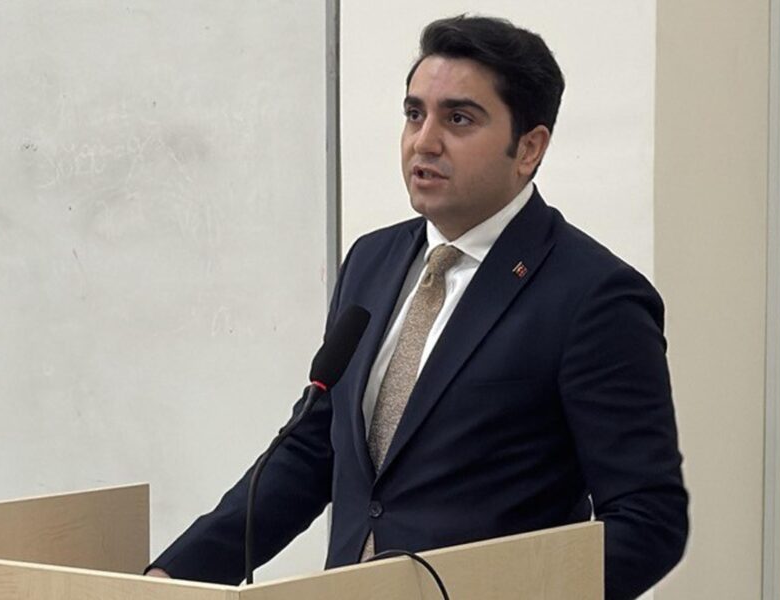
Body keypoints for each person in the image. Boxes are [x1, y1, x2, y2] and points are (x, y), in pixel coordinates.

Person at [147, 15, 688, 599]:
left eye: (458, 119)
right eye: (414, 114)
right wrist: (174, 577)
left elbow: (648, 520)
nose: (423, 142)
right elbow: (311, 451)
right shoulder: (371, 261)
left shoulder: (593, 296)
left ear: (529, 148)